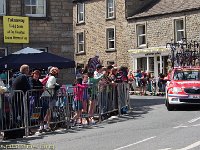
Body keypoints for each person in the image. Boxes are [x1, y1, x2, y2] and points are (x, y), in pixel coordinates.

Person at [40, 67, 60, 131]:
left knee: (45, 111)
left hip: (45, 95)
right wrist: (56, 86)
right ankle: (43, 127)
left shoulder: (48, 77)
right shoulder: (53, 78)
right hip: (47, 95)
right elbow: (50, 86)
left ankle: (43, 126)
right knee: (46, 112)